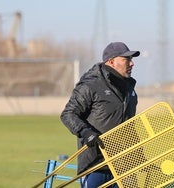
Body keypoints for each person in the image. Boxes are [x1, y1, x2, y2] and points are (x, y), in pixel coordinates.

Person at [60, 42, 140, 188]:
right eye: (126, 59)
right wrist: (86, 132)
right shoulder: (91, 85)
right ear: (111, 62)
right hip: (96, 165)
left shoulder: (130, 90)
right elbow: (68, 114)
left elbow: (129, 125)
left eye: (131, 59)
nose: (132, 63)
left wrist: (138, 154)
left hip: (125, 166)